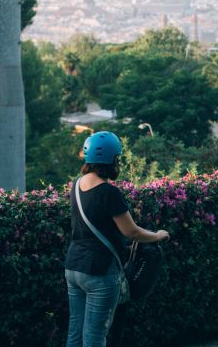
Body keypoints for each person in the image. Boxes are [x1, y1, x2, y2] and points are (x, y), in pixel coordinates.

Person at [65, 131, 169, 347]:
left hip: (74, 267)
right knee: (94, 338)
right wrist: (158, 236)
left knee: (75, 335)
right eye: (117, 158)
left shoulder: (77, 184)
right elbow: (131, 232)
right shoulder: (108, 193)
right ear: (111, 160)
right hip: (99, 272)